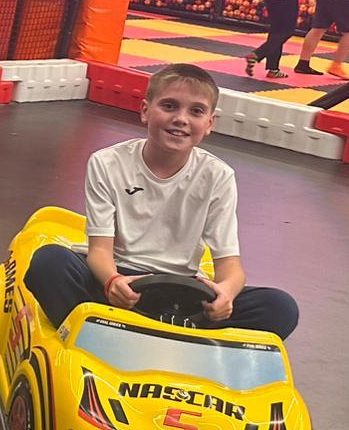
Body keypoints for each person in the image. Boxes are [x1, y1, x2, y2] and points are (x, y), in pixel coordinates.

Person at [24, 63, 298, 338]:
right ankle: (92, 335)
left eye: (196, 111)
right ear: (145, 111)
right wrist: (112, 281)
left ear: (209, 124)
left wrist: (226, 293)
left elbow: (231, 267)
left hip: (180, 289)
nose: (181, 119)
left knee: (279, 307)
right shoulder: (108, 163)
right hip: (116, 282)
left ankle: (159, 336)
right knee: (49, 263)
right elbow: (99, 250)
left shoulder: (218, 176)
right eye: (169, 106)